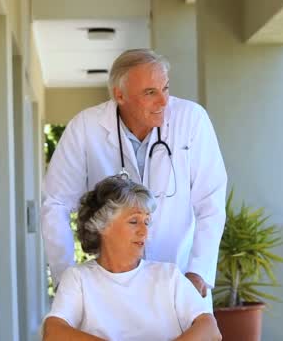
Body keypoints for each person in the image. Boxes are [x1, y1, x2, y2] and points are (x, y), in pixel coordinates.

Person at [41, 49, 227, 300]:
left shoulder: (191, 120)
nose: (163, 101)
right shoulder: (85, 127)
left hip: (180, 278)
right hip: (111, 283)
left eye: (165, 88)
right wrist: (65, 277)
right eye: (150, 92)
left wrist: (199, 272)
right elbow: (56, 203)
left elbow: (211, 202)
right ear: (120, 95)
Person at [42, 176, 222, 341]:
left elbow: (210, 328)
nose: (144, 231)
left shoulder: (168, 276)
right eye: (134, 221)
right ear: (102, 225)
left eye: (147, 222)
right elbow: (53, 332)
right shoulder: (78, 279)